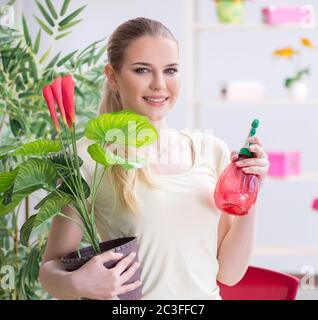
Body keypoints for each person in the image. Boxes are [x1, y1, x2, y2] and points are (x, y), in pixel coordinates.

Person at [39, 17, 269, 300]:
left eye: (170, 70)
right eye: (142, 70)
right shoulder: (88, 159)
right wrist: (79, 284)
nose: (160, 84)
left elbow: (229, 273)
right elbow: (50, 270)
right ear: (112, 76)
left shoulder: (213, 151)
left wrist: (251, 189)